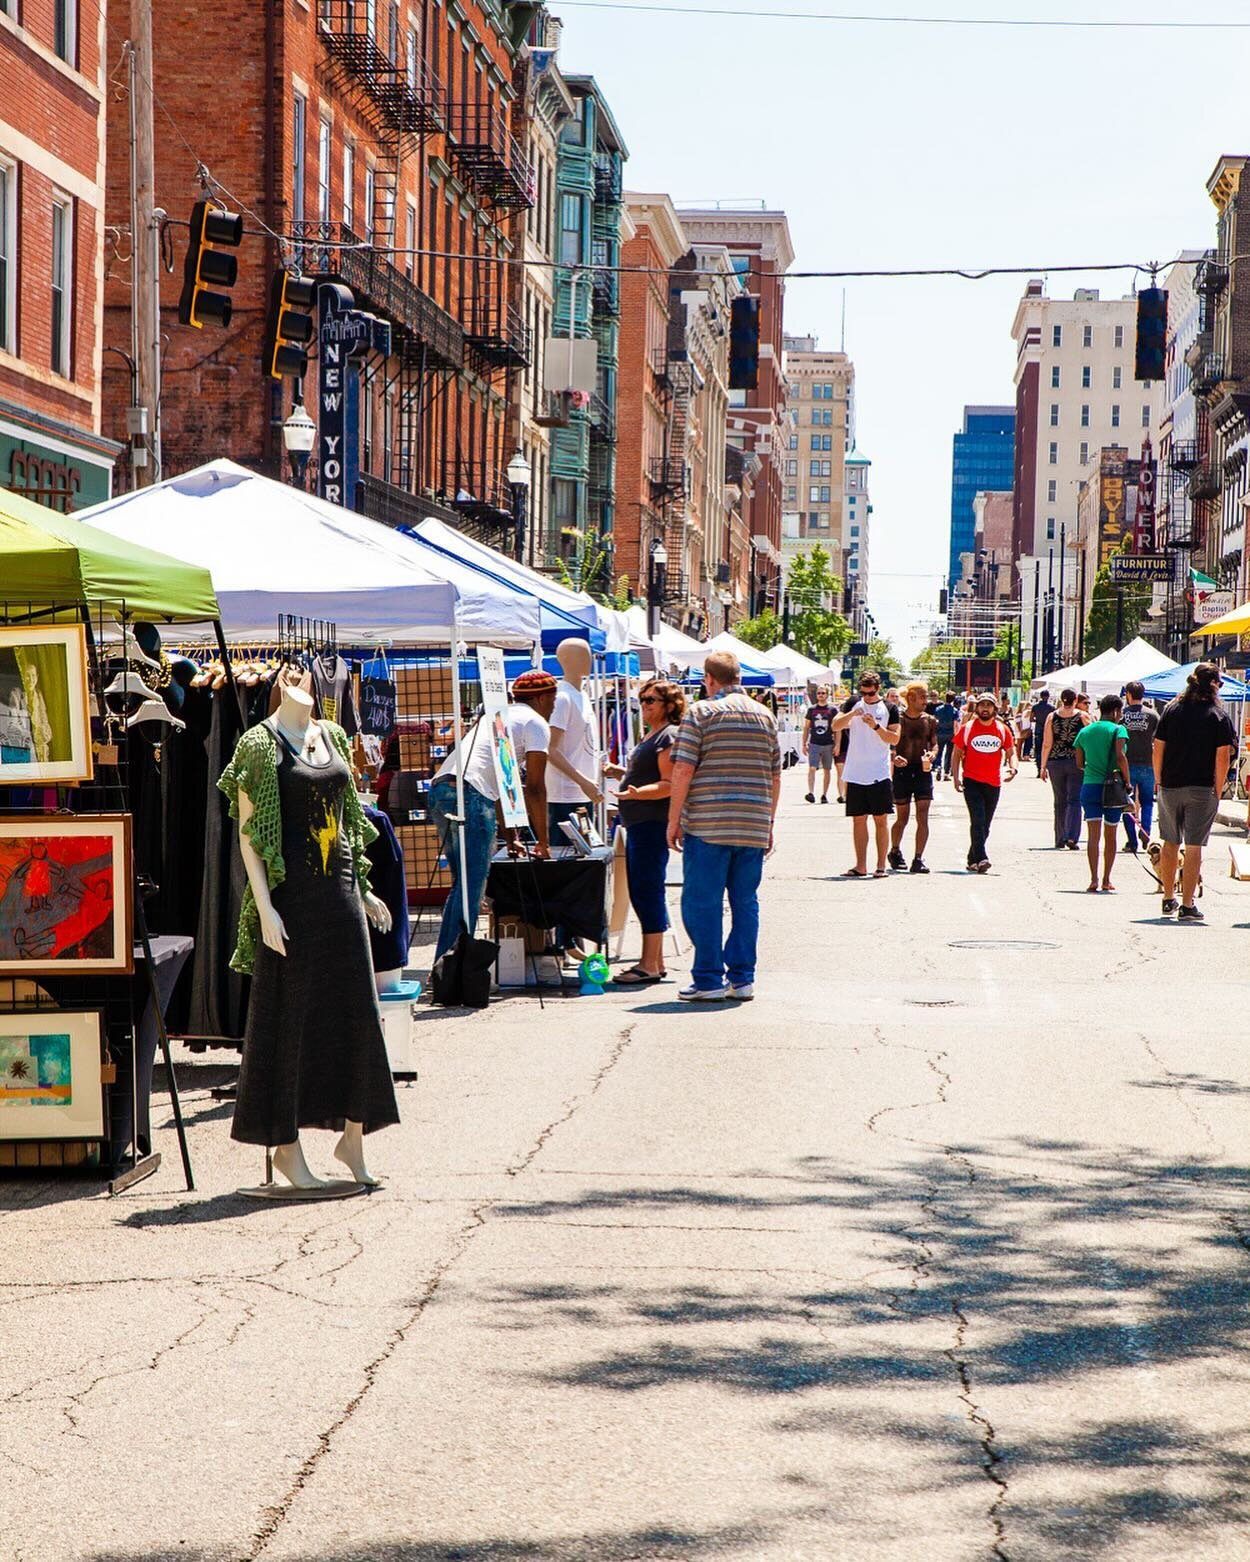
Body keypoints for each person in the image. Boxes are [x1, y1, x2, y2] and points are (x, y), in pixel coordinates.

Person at [668, 651, 781, 1001]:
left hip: (708, 823)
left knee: (702, 901)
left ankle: (707, 979)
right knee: (745, 901)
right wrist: (770, 821)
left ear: (709, 679)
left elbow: (683, 769)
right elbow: (775, 774)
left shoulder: (700, 713)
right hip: (752, 824)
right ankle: (742, 978)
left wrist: (673, 821)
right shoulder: (765, 716)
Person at [426, 670, 556, 962]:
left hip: (442, 788)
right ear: (542, 697)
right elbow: (535, 787)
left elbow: (499, 780)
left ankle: (447, 961)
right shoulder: (536, 724)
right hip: (471, 795)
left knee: (463, 885)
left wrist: (511, 837)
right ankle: (450, 965)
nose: (554, 706)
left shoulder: (497, 716)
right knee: (471, 887)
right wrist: (543, 843)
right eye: (553, 699)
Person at [614, 678, 684, 986]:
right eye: (642, 699)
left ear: (669, 706)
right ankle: (655, 960)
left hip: (650, 823)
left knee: (646, 889)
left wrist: (636, 794)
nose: (644, 705)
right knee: (644, 889)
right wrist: (620, 774)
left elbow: (669, 785)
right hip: (640, 821)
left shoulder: (668, 736)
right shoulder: (653, 735)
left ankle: (648, 963)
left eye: (651, 700)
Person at [1153, 661, 1236, 922]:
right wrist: (1219, 788)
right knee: (1193, 846)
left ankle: (1168, 898)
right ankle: (1187, 904)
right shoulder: (1217, 715)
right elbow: (1222, 756)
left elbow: (1158, 746)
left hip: (1170, 784)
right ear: (1213, 685)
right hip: (1202, 787)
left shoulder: (1172, 709)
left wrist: (1159, 779)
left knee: (1169, 841)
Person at [831, 670, 900, 877]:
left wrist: (876, 726)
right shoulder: (853, 703)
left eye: (870, 693)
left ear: (878, 689)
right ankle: (860, 865)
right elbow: (835, 725)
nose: (866, 697)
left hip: (879, 772)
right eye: (863, 693)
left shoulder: (890, 708)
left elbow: (894, 739)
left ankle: (880, 866)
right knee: (858, 820)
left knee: (881, 819)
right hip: (856, 771)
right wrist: (852, 713)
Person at [951, 691, 1016, 872]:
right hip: (971, 780)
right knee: (978, 820)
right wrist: (955, 777)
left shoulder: (1002, 729)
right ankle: (982, 858)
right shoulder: (968, 728)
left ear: (995, 708)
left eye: (989, 705)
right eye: (982, 705)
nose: (985, 708)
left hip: (993, 782)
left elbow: (1011, 753)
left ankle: (972, 858)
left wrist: (1013, 768)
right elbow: (956, 754)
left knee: (985, 825)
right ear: (977, 707)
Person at [1074, 693, 1130, 893]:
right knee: (1111, 834)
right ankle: (1107, 878)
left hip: (1090, 786)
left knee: (1093, 837)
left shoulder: (1086, 731)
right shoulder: (1118, 730)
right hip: (1113, 788)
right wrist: (1128, 782)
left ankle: (1093, 879)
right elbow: (1121, 757)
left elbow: (1079, 763)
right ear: (1116, 711)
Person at [888, 681, 938, 874]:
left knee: (923, 816)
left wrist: (932, 755)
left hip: (922, 771)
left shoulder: (930, 720)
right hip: (902, 771)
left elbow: (934, 744)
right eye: (923, 697)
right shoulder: (898, 719)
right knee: (902, 817)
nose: (926, 700)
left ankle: (918, 858)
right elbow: (890, 744)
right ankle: (895, 850)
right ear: (911, 698)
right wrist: (894, 757)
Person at [1040, 688, 1087, 849]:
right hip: (1076, 761)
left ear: (1061, 699)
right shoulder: (1083, 716)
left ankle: (1060, 838)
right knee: (1074, 799)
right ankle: (1072, 836)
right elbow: (1091, 735)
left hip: (1055, 761)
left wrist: (1043, 765)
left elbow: (1047, 743)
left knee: (1059, 801)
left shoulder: (1052, 717)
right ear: (1075, 700)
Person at [1120, 680, 1159, 853]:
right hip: (1148, 764)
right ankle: (1146, 832)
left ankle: (1132, 841)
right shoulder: (1153, 715)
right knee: (1148, 802)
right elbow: (1158, 742)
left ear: (1128, 694)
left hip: (1126, 764)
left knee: (1127, 803)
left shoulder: (1122, 714)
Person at [801, 684, 837, 803]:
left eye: (823, 693)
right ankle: (811, 792)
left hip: (828, 743)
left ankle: (824, 794)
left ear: (827, 695)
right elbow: (806, 727)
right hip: (814, 743)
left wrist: (837, 744)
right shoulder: (811, 710)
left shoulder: (832, 710)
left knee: (827, 769)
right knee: (812, 768)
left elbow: (837, 729)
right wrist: (804, 743)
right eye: (819, 693)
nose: (821, 695)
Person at [934, 691, 960, 780]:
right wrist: (957, 735)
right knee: (949, 753)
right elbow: (956, 724)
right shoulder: (955, 710)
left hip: (940, 733)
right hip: (950, 734)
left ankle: (938, 767)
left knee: (939, 751)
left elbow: (936, 721)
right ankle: (946, 773)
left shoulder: (938, 709)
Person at [1030, 690, 1055, 774]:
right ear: (1048, 696)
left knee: (1038, 750)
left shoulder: (1035, 707)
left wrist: (1037, 719)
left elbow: (1031, 718)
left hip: (1038, 729)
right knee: (1048, 749)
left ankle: (1038, 768)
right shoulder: (1051, 708)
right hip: (1048, 730)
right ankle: (1045, 767)